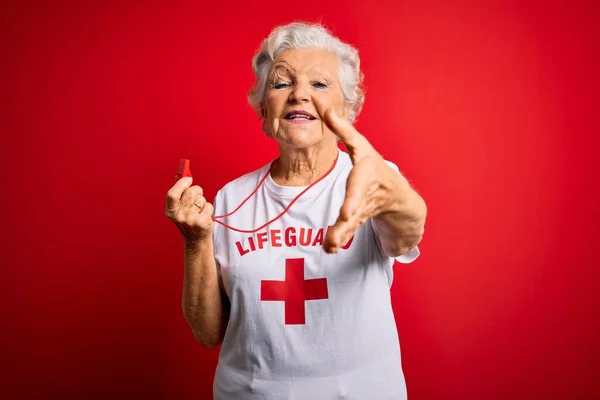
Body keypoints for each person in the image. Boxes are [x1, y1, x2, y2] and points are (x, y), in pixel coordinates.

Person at [165, 21, 427, 400]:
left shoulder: (374, 181)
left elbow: (408, 230)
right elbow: (208, 333)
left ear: (347, 107)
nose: (299, 95)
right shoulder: (228, 199)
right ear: (262, 106)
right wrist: (196, 242)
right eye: (282, 83)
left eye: (319, 84)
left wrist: (396, 195)